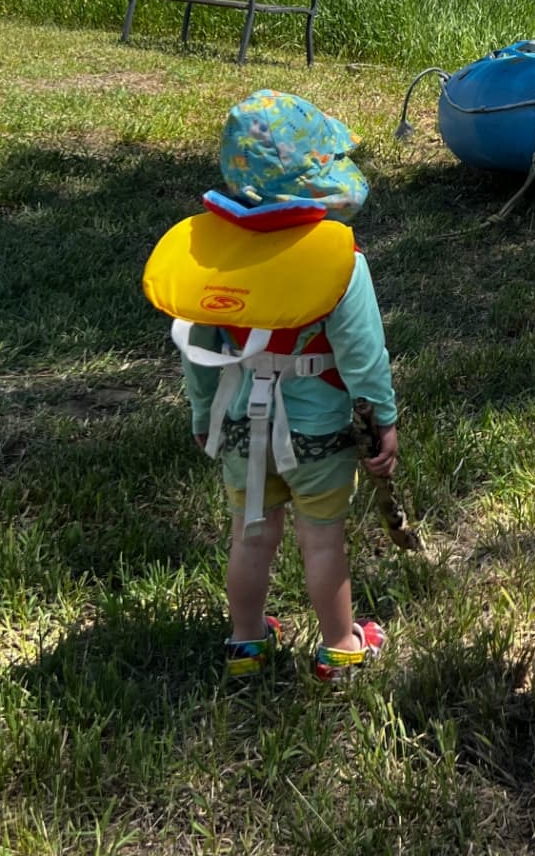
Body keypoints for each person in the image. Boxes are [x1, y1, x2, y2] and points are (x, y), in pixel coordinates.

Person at [142, 90, 398, 681]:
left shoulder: (215, 261)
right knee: (322, 541)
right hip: (319, 435)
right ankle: (340, 647)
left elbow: (201, 356)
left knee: (251, 537)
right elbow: (363, 356)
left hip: (239, 427)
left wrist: (204, 416)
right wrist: (382, 419)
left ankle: (246, 644)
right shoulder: (339, 262)